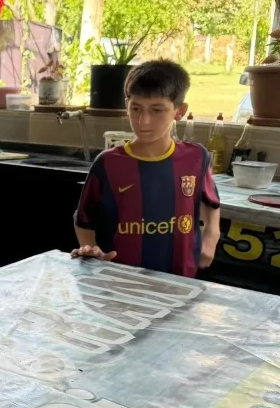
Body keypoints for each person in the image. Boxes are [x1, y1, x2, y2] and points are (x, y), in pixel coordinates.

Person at [73, 60, 221, 277]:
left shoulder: (197, 158)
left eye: (157, 110)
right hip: (119, 279)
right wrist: (92, 251)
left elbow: (211, 202)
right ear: (127, 105)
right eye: (136, 109)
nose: (143, 121)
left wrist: (211, 235)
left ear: (179, 111)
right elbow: (84, 220)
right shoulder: (107, 163)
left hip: (180, 278)